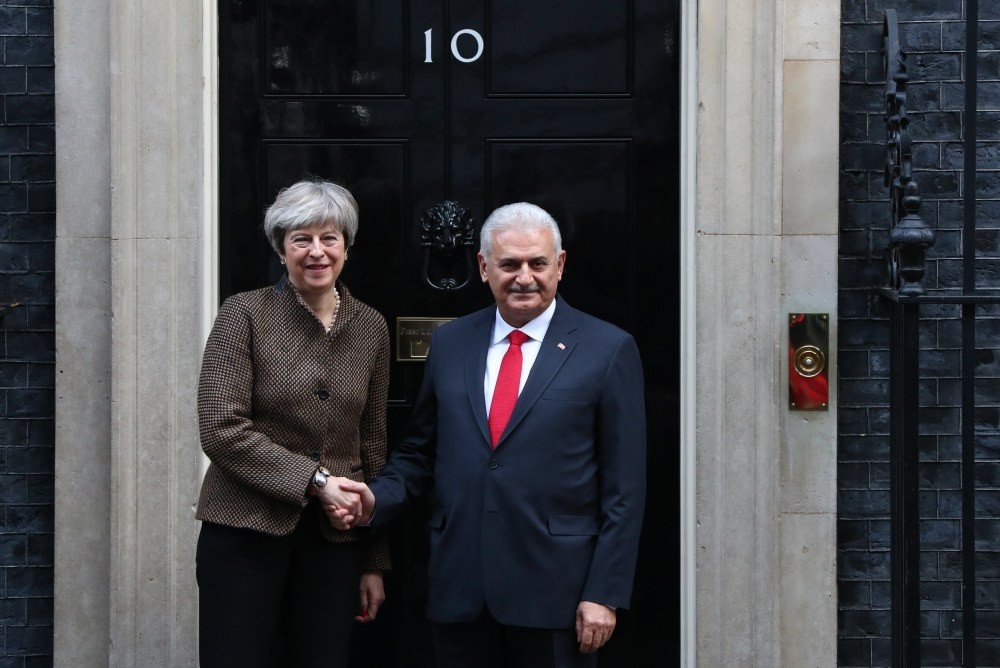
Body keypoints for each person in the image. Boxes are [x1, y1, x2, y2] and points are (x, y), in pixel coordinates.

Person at [335, 202, 647, 668]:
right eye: (509, 264)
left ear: (560, 265)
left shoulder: (608, 348)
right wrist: (375, 500)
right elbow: (420, 452)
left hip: (558, 595)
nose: (525, 277)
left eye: (538, 263)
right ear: (484, 268)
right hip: (461, 588)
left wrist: (604, 591)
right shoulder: (451, 342)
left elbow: (625, 489)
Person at [194, 178, 390, 668]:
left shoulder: (371, 327)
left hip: (334, 543)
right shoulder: (244, 314)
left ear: (347, 246)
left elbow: (373, 443)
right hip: (244, 532)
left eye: (329, 238)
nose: (316, 251)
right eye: (301, 239)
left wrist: (373, 559)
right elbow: (220, 427)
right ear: (282, 250)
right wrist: (316, 481)